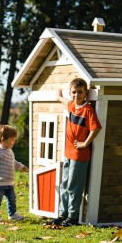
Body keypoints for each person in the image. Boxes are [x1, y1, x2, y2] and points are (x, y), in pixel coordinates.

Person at [44, 78, 102, 227]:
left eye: (80, 92)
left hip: (80, 155)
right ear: (71, 93)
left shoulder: (87, 109)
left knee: (74, 186)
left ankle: (73, 217)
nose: (76, 95)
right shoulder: (71, 105)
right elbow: (63, 101)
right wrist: (58, 95)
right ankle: (62, 214)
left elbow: (96, 128)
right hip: (68, 152)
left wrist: (85, 143)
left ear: (86, 93)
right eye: (74, 92)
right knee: (64, 184)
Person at [0, 125, 29, 222]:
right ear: (3, 139)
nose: (14, 142)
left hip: (9, 182)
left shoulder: (9, 151)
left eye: (14, 140)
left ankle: (12, 214)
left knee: (12, 199)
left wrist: (21, 166)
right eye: (12, 140)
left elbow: (13, 162)